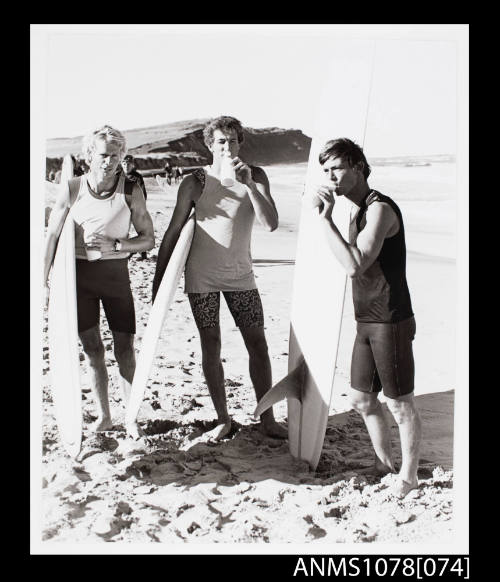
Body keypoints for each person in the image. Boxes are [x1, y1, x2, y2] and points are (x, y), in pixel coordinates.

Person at [152, 115, 287, 441]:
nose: (228, 147)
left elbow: (270, 223)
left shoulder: (256, 175)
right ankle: (223, 419)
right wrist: (158, 284)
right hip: (202, 278)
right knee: (210, 345)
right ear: (210, 145)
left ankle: (267, 419)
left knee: (258, 344)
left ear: (241, 142)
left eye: (233, 140)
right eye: (221, 141)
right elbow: (172, 233)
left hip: (241, 275)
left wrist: (249, 186)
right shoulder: (195, 182)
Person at [314, 138, 421, 499]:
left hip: (390, 320)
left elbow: (354, 265)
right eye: (325, 171)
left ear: (358, 166)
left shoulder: (379, 209)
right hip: (367, 320)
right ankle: (382, 464)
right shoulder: (358, 210)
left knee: (400, 403)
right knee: (361, 399)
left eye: (337, 169)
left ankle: (408, 476)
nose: (330, 177)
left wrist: (324, 219)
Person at [44, 125, 155, 439]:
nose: (109, 161)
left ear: (122, 156)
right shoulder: (72, 188)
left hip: (116, 279)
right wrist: (42, 283)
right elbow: (52, 237)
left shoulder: (131, 189)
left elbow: (148, 239)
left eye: (115, 155)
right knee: (92, 350)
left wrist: (121, 246)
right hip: (79, 279)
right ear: (89, 156)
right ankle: (105, 416)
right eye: (103, 155)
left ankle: (131, 417)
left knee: (125, 351)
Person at [120, 154, 149, 260]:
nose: (126, 166)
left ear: (132, 165)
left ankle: (142, 253)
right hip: (122, 207)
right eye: (124, 163)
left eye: (128, 164)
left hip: (135, 207)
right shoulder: (118, 176)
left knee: (140, 230)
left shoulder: (137, 177)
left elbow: (143, 194)